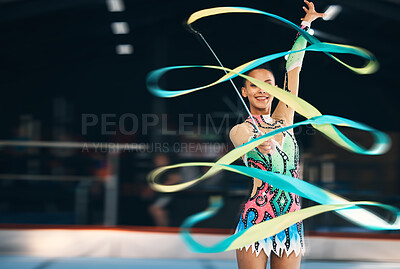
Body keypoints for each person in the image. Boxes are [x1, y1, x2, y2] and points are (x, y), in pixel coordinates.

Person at [229, 1, 325, 268]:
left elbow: (293, 68)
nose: (262, 90)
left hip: (290, 219)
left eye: (268, 84)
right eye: (254, 85)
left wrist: (305, 26)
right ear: (245, 91)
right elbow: (241, 140)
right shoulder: (243, 129)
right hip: (257, 219)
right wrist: (259, 145)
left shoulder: (285, 119)